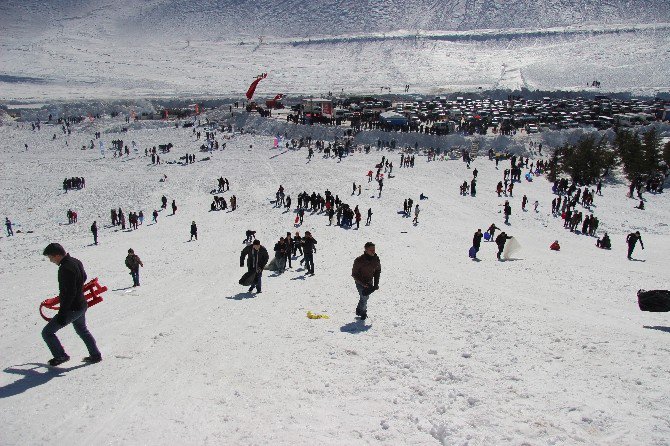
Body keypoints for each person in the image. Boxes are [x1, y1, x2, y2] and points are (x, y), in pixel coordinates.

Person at [41, 243, 101, 366]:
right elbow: (84, 277)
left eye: (51, 257)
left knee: (47, 332)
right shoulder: (76, 261)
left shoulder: (65, 268)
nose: (51, 260)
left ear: (57, 255)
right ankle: (95, 355)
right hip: (81, 304)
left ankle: (61, 355)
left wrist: (62, 313)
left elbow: (69, 293)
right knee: (82, 330)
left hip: (72, 308)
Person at [352, 242, 381, 320]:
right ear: (366, 250)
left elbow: (377, 271)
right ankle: (363, 313)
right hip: (360, 282)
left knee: (364, 297)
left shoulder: (376, 258)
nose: (373, 251)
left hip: (369, 282)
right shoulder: (359, 260)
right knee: (365, 297)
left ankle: (358, 309)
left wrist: (376, 284)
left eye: (374, 249)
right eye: (371, 250)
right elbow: (354, 274)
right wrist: (363, 284)